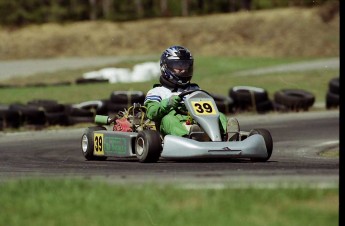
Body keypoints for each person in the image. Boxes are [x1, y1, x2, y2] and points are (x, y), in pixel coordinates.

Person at [144, 45, 239, 140]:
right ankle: (189, 137)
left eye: (186, 65)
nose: (184, 69)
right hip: (173, 126)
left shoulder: (194, 88)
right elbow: (151, 113)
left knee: (220, 115)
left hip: (198, 121)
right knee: (168, 119)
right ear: (166, 67)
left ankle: (227, 136)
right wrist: (168, 103)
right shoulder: (156, 92)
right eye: (178, 65)